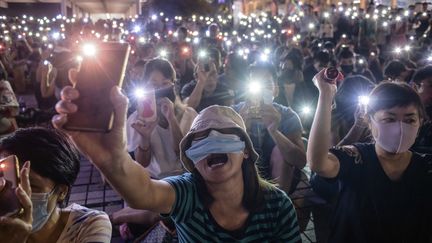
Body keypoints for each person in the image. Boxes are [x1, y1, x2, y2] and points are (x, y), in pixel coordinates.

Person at [53, 84, 301, 242]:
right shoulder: (186, 194)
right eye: (200, 139)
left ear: (245, 150)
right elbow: (144, 192)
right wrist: (112, 159)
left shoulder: (278, 205)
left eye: (224, 135)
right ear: (192, 158)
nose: (212, 142)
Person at [307, 72, 432, 242]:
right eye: (389, 119)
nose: (400, 128)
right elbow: (318, 163)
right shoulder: (356, 157)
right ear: (368, 120)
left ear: (421, 122)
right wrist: (326, 96)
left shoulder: (425, 166)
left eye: (409, 120)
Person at [0, 127, 112, 243]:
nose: (17, 193)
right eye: (8, 182)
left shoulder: (88, 224)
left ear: (62, 191)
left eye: (31, 185)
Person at [233, 64, 306, 194]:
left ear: (276, 90)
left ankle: (277, 205)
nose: (261, 91)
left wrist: (274, 131)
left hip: (280, 178)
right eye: (256, 84)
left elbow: (300, 161)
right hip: (242, 176)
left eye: (267, 84)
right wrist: (241, 129)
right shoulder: (234, 113)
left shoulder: (288, 116)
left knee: (280, 151)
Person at [127, 58, 196, 179]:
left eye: (165, 83)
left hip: (186, 179)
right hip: (154, 182)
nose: (159, 89)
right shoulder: (137, 120)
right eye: (154, 84)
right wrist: (145, 138)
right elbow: (142, 163)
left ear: (173, 86)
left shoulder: (189, 115)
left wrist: (172, 119)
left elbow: (184, 156)